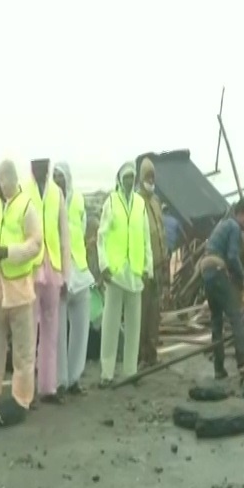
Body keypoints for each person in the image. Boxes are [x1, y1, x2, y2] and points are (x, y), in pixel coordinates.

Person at [0, 160, 42, 409]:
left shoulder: (27, 207)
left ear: (8, 180)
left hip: (19, 289)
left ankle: (22, 399)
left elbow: (35, 244)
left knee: (23, 351)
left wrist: (9, 252)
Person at [97, 162, 153, 387]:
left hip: (135, 273)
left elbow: (145, 238)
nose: (130, 181)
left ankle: (130, 371)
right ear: (120, 180)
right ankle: (106, 373)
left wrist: (148, 268)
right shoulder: (111, 202)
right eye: (127, 177)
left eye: (133, 177)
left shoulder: (140, 204)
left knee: (134, 326)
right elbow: (101, 237)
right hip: (116, 272)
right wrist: (104, 266)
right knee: (110, 326)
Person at [24, 158, 71, 404]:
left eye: (43, 164)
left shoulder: (56, 194)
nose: (40, 169)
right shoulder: (23, 191)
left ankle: (48, 387)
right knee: (29, 333)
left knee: (51, 331)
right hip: (31, 270)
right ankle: (27, 391)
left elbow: (65, 236)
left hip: (52, 268)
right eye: (36, 164)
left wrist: (66, 277)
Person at [52, 162, 93, 396]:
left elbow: (84, 227)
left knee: (80, 331)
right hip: (59, 274)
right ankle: (60, 381)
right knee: (58, 332)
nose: (58, 179)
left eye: (61, 176)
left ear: (68, 177)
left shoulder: (78, 200)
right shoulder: (49, 203)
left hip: (81, 271)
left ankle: (75, 378)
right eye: (55, 176)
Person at [199, 199, 244, 379]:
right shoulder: (235, 228)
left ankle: (219, 369)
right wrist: (241, 278)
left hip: (207, 273)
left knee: (216, 321)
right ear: (242, 215)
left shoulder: (223, 225)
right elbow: (232, 257)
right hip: (218, 270)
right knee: (236, 316)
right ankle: (243, 364)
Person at [137, 157, 167, 367]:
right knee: (142, 312)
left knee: (155, 313)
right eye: (147, 176)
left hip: (158, 265)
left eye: (153, 176)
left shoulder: (156, 202)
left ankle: (152, 353)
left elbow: (161, 232)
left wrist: (164, 259)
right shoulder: (136, 202)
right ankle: (140, 354)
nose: (151, 180)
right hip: (143, 267)